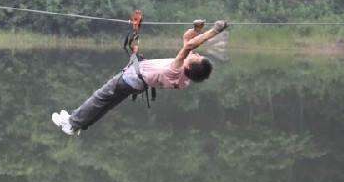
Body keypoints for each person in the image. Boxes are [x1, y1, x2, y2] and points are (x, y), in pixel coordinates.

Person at [51, 19, 229, 135]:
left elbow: (189, 45)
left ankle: (71, 123)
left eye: (197, 57)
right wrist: (197, 29)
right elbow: (188, 38)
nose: (197, 55)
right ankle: (79, 124)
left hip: (129, 79)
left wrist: (214, 31)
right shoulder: (184, 77)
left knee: (99, 97)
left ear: (190, 64)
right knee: (105, 105)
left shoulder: (177, 68)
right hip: (135, 84)